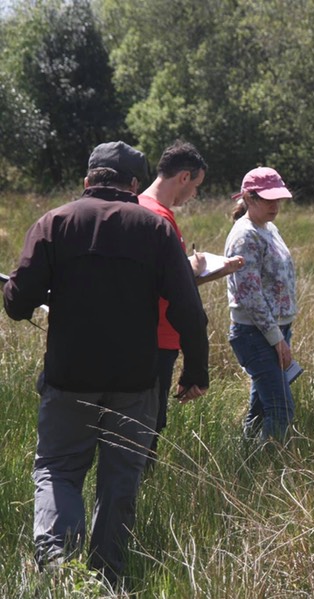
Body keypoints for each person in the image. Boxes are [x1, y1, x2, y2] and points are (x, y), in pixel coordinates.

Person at [2, 141, 210, 586]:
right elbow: (188, 310)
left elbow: (18, 305)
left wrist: (23, 290)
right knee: (120, 483)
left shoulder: (53, 223)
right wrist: (196, 370)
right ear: (135, 185)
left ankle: (59, 568)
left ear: (87, 180)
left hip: (68, 378)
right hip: (135, 381)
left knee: (58, 470)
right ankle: (108, 580)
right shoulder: (155, 230)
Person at [138, 140, 243, 462]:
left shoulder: (139, 206)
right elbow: (161, 285)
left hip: (147, 334)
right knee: (148, 426)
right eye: (196, 185)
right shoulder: (158, 216)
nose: (194, 194)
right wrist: (193, 269)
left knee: (146, 422)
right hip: (156, 337)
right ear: (184, 177)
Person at [225, 167, 297, 441]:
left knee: (260, 409)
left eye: (278, 199)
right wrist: (276, 338)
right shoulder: (245, 236)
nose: (275, 205)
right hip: (256, 334)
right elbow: (250, 295)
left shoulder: (268, 227)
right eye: (268, 199)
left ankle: (247, 463)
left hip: (273, 331)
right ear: (248, 198)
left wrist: (281, 333)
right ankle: (268, 468)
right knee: (281, 409)